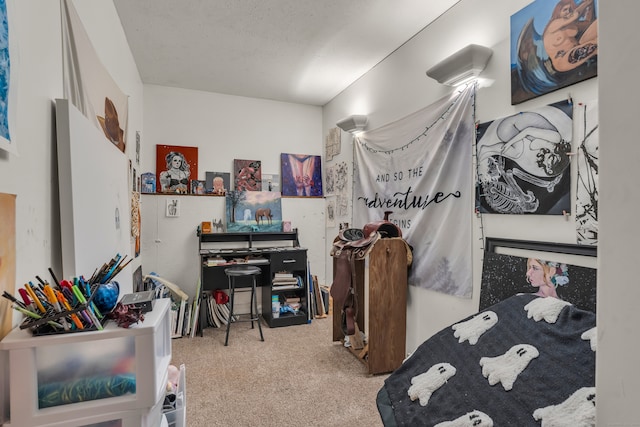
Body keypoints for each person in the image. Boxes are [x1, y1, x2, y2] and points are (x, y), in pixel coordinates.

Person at [543, 0, 597, 73]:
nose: (568, 12)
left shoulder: (571, 25)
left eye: (569, 9)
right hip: (563, 59)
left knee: (598, 24)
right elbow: (575, 14)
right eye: (565, 9)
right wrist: (587, 2)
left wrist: (590, 5)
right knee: (598, 44)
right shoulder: (553, 25)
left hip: (577, 46)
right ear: (558, 12)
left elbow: (588, 23)